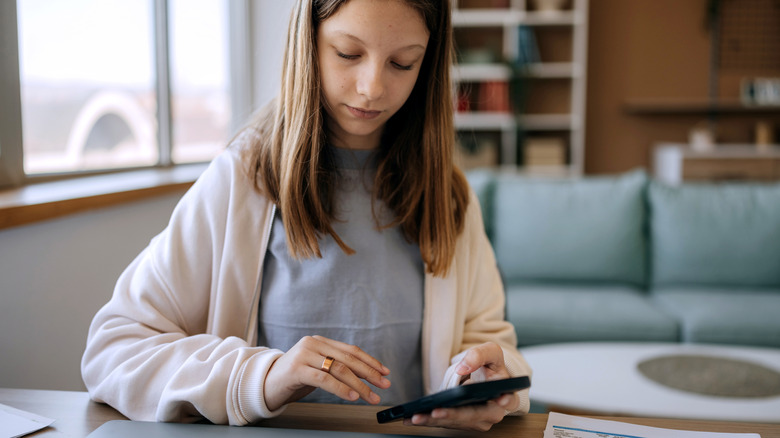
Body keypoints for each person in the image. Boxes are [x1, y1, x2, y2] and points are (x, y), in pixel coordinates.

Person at [81, 0, 532, 432]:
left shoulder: (449, 197)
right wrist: (263, 377)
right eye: (347, 53)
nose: (372, 87)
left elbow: (489, 340)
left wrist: (482, 384)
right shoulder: (242, 180)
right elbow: (114, 351)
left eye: (403, 63)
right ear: (308, 42)